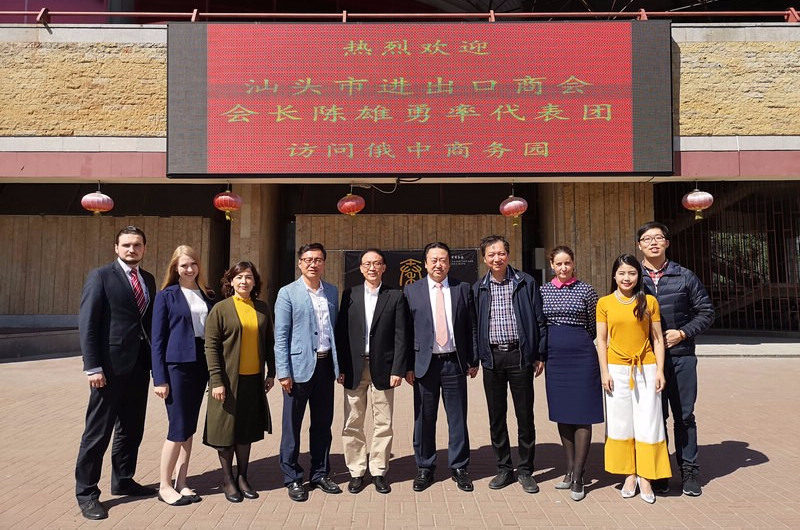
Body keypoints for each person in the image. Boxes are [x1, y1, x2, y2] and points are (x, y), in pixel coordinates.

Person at [75, 226, 157, 520]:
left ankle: (123, 479)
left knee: (131, 428)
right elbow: (88, 324)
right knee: (98, 432)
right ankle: (87, 493)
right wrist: (93, 366)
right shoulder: (100, 277)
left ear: (144, 248)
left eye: (137, 245)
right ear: (116, 248)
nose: (131, 249)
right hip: (108, 369)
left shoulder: (148, 279)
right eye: (126, 245)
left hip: (139, 366)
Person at [636, 221, 714, 497]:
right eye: (647, 239)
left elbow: (706, 312)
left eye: (658, 238)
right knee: (655, 417)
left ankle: (689, 471)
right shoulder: (634, 278)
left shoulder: (685, 276)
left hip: (681, 357)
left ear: (667, 243)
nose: (653, 242)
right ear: (639, 245)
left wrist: (683, 333)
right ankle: (659, 472)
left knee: (684, 416)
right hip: (647, 361)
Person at [472, 235, 546, 495]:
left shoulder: (525, 282)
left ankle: (525, 470)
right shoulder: (478, 288)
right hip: (492, 358)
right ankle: (504, 467)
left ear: (508, 254)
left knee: (525, 416)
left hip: (520, 356)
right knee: (497, 417)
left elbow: (539, 320)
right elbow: (474, 326)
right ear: (484, 259)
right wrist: (476, 358)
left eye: (501, 253)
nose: (497, 258)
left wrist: (539, 354)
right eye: (491, 254)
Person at [404, 242, 479, 492]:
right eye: (434, 260)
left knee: (457, 418)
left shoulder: (462, 288)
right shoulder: (411, 291)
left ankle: (459, 467)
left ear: (449, 263)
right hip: (424, 365)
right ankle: (425, 467)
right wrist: (407, 366)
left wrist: (473, 360)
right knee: (424, 419)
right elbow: (405, 332)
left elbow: (471, 326)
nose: (439, 264)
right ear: (425, 263)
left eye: (443, 259)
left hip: (454, 363)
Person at [596, 254, 671, 504]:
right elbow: (602, 341)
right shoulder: (604, 303)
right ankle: (629, 474)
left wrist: (660, 370)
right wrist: (604, 372)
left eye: (632, 273)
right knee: (621, 422)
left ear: (639, 276)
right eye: (622, 273)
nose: (626, 278)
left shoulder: (649, 301)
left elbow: (657, 339)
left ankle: (646, 476)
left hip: (646, 368)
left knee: (649, 422)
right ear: (614, 276)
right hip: (616, 370)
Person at [335, 248, 410, 494]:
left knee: (383, 422)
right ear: (360, 268)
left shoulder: (395, 296)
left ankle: (378, 470)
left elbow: (401, 336)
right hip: (354, 368)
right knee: (352, 422)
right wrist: (341, 367)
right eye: (367, 264)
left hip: (384, 368)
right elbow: (341, 334)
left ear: (384, 267)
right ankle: (356, 471)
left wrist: (398, 368)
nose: (372, 268)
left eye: (376, 263)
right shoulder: (350, 295)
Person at [274, 243, 342, 502]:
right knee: (292, 426)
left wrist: (339, 367)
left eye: (318, 259)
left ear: (324, 263)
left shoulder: (332, 291)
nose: (313, 264)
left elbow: (335, 331)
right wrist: (283, 372)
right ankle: (292, 477)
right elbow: (281, 336)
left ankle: (320, 473)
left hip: (325, 367)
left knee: (323, 424)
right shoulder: (287, 293)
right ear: (300, 263)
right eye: (308, 259)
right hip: (297, 369)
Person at [203, 262, 275, 503]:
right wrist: (216, 380)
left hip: (253, 381)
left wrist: (271, 372)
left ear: (255, 282)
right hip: (227, 382)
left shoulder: (262, 308)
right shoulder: (221, 309)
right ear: (231, 281)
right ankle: (227, 479)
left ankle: (243, 477)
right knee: (225, 432)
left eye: (249, 277)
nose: (244, 281)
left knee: (246, 431)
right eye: (239, 277)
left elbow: (269, 342)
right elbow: (211, 347)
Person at [150, 245, 215, 506]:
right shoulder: (166, 296)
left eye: (193, 264)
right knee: (177, 427)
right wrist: (159, 378)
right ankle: (164, 485)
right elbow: (157, 340)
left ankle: (182, 481)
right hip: (176, 367)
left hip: (200, 364)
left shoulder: (208, 295)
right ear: (175, 268)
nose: (189, 269)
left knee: (188, 427)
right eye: (184, 265)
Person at [540, 246, 602, 502]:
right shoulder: (543, 291)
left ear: (574, 263)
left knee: (582, 415)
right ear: (552, 265)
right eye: (559, 263)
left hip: (582, 356)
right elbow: (540, 323)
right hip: (555, 358)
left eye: (567, 263)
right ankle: (569, 469)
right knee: (563, 414)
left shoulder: (586, 290)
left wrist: (576, 340)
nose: (563, 267)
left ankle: (578, 476)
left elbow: (593, 325)